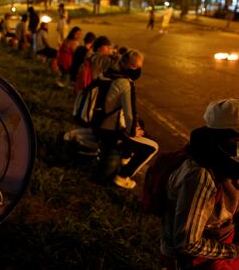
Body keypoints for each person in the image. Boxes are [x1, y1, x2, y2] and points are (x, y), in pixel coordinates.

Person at [161, 98, 239, 270]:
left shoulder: (221, 164)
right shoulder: (199, 177)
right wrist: (233, 251)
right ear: (222, 139)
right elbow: (188, 244)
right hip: (198, 260)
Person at [93, 49, 159, 189]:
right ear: (129, 66)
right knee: (152, 146)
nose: (138, 70)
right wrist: (134, 132)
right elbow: (130, 114)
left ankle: (124, 158)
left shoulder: (107, 74)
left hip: (97, 125)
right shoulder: (125, 83)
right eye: (137, 67)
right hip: (110, 132)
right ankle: (123, 176)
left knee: (140, 124)